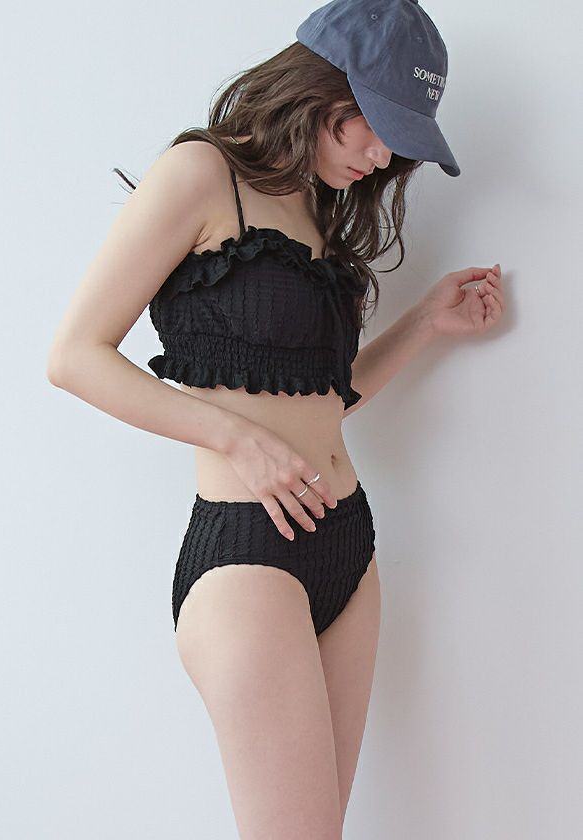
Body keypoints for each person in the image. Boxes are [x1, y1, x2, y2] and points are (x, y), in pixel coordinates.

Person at [46, 1, 505, 837]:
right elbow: (75, 355)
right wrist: (235, 438)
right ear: (323, 88)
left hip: (349, 548)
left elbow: (321, 397)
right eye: (376, 128)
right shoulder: (199, 174)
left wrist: (424, 324)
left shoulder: (318, 212)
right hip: (249, 554)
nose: (382, 156)